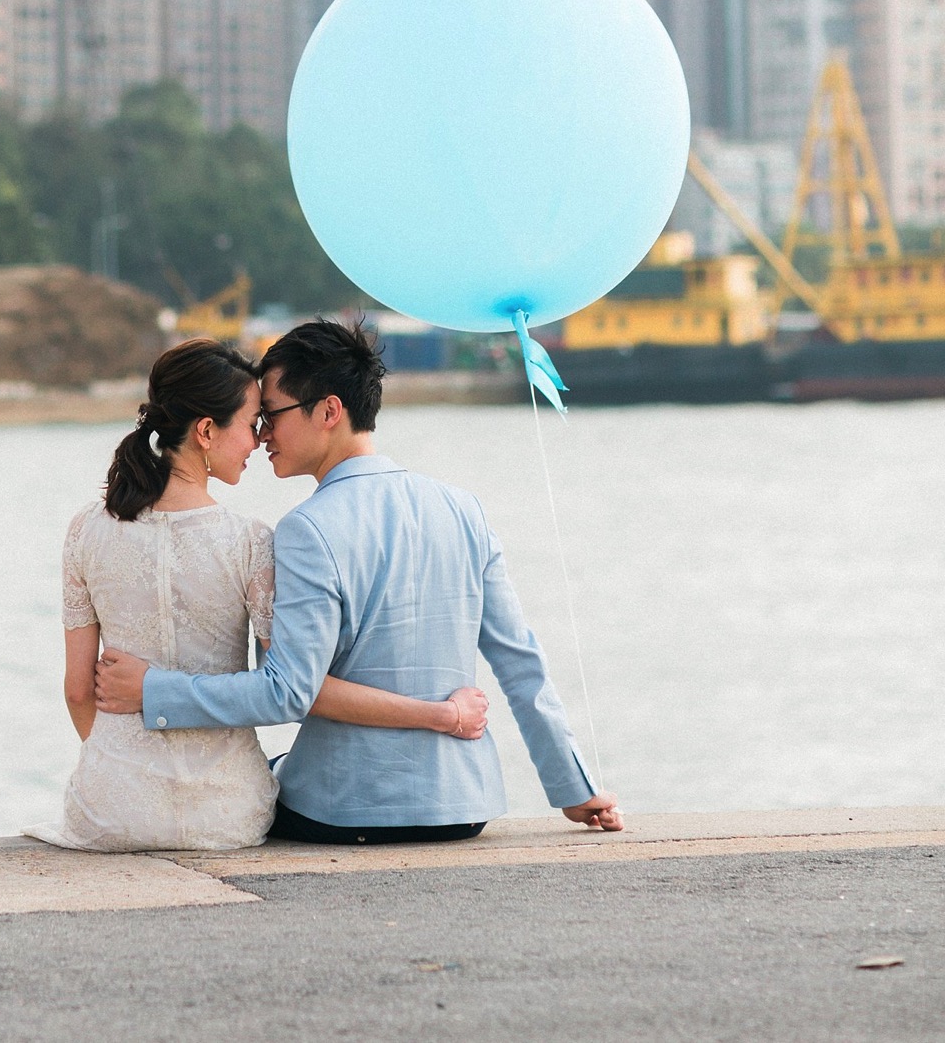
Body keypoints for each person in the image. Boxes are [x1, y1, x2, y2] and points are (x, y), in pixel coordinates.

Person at [95, 318, 622, 844]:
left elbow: (286, 692)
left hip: (346, 810)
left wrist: (154, 688)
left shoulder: (308, 528)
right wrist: (574, 787)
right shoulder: (464, 508)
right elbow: (519, 660)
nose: (263, 434)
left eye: (271, 414)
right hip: (463, 808)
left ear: (329, 411)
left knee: (245, 782)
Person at [28, 337, 491, 853]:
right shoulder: (251, 543)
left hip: (110, 808)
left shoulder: (85, 530)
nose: (260, 440)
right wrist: (442, 716)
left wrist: (127, 770)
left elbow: (77, 691)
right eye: (252, 424)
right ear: (206, 431)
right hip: (227, 815)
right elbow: (288, 692)